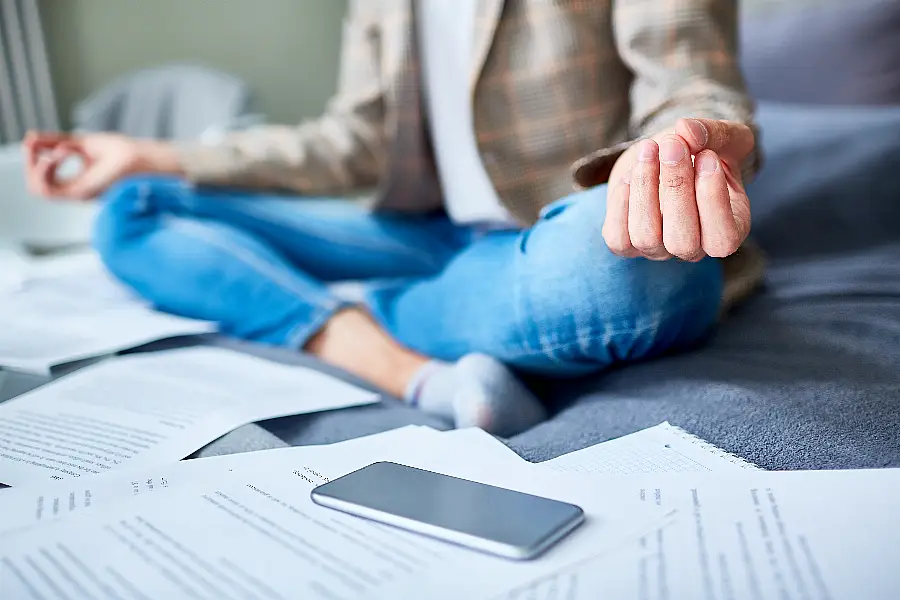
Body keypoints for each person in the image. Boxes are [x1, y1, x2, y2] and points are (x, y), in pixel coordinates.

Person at [24, 0, 763, 437]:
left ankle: (333, 301)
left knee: (628, 263)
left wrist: (683, 147)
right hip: (426, 235)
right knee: (134, 205)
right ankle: (386, 356)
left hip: (551, 235)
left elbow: (691, 88)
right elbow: (353, 143)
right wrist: (147, 154)